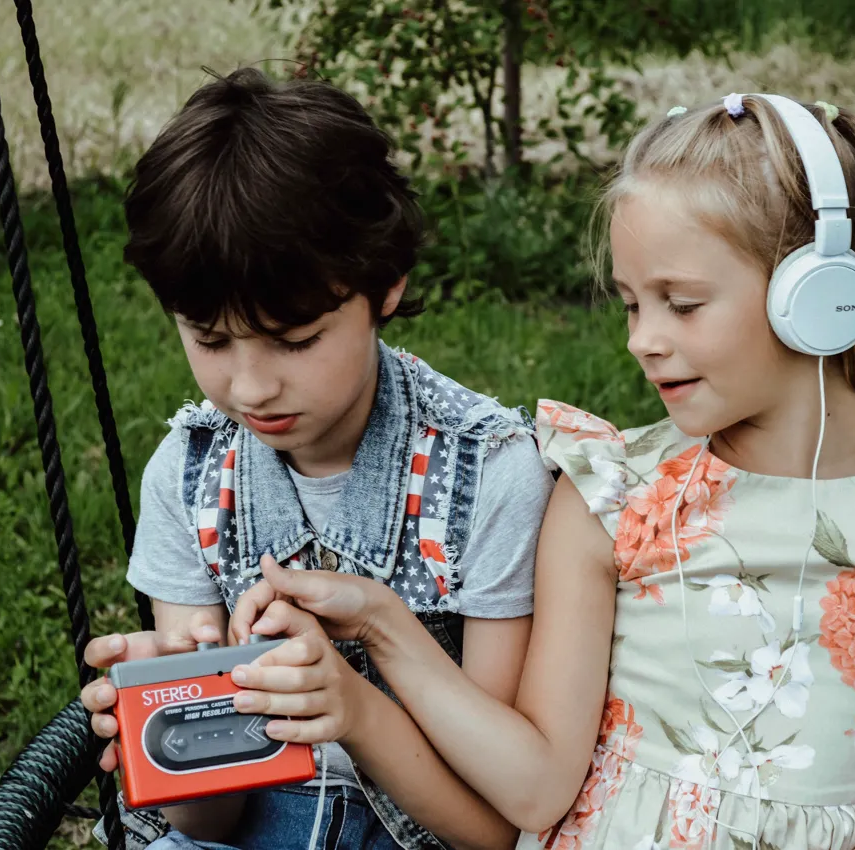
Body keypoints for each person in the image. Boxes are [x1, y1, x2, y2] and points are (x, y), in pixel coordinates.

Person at [228, 93, 855, 849]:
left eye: (682, 303)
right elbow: (537, 788)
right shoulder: (613, 492)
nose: (643, 339)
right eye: (632, 303)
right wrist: (381, 624)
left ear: (818, 295)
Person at [78, 67, 551, 850]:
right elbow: (207, 825)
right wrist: (171, 732)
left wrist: (357, 713)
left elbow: (495, 826)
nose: (252, 386)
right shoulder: (191, 477)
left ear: (385, 287)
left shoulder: (489, 478)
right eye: (210, 339)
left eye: (296, 340)